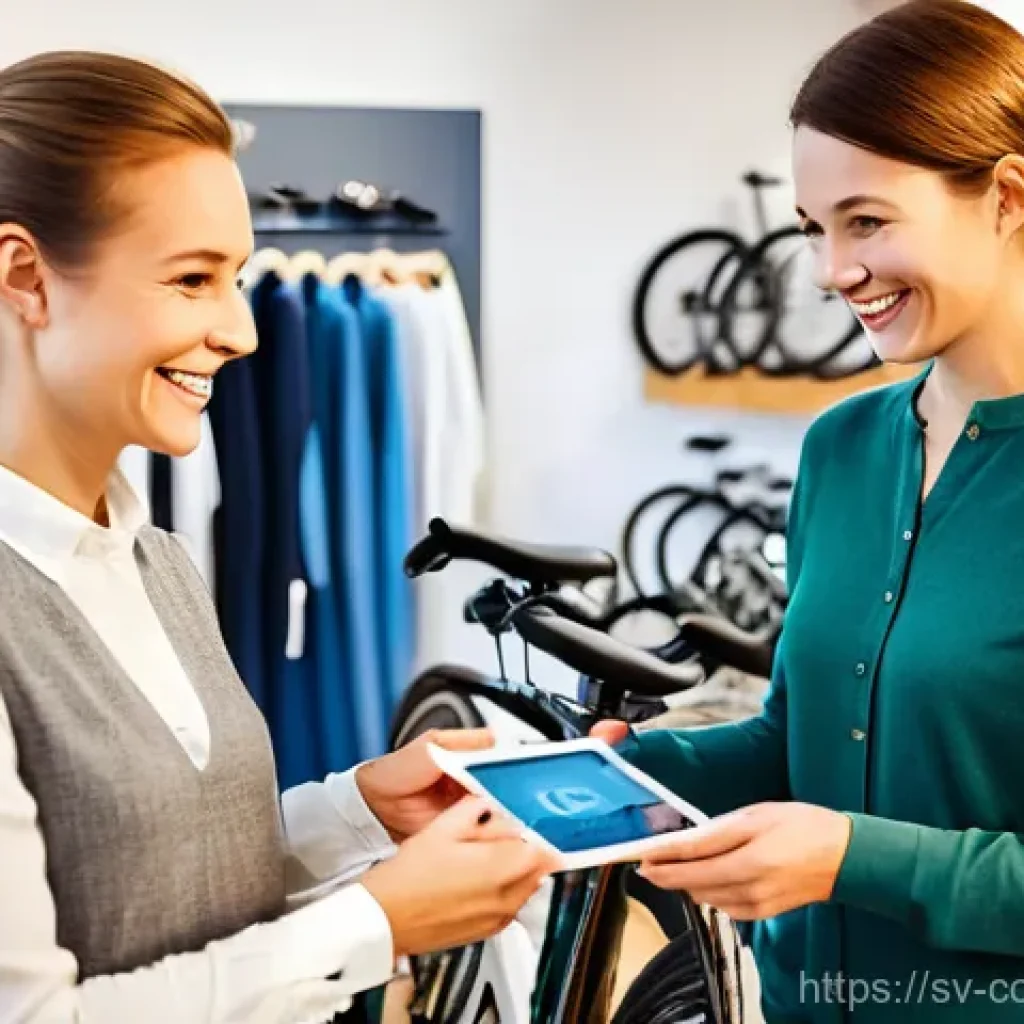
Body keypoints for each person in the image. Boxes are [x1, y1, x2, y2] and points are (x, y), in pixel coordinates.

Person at [0, 51, 556, 1023]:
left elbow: (160, 884)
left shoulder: (156, 559)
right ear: (24, 277)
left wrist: (356, 813)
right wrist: (375, 922)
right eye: (192, 279)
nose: (243, 331)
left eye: (239, 279)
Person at [594, 2, 1024, 1021]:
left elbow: (847, 832)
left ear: (1007, 196)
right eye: (815, 230)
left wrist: (849, 856)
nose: (833, 272)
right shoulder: (841, 447)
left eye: (866, 221)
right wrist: (625, 769)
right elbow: (801, 740)